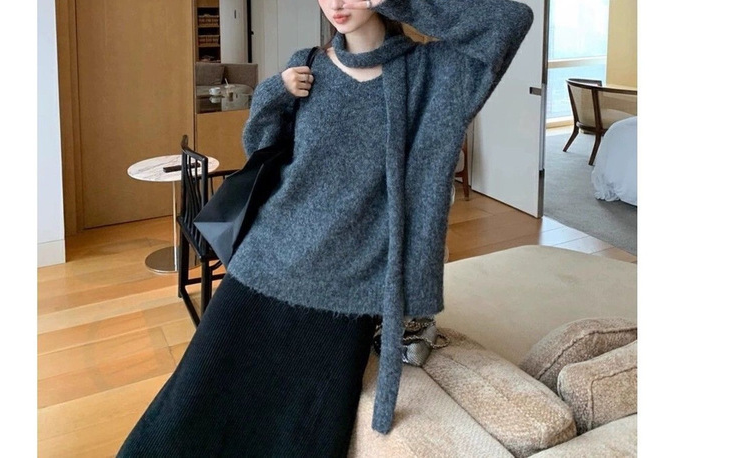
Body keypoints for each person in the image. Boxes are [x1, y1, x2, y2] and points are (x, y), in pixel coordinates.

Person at [117, 0, 533, 456]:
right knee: (187, 407)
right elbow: (260, 147)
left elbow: (509, 21)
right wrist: (275, 92)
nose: (336, 3)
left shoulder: (430, 73)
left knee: (301, 433)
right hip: (266, 258)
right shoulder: (308, 65)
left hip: (348, 284)